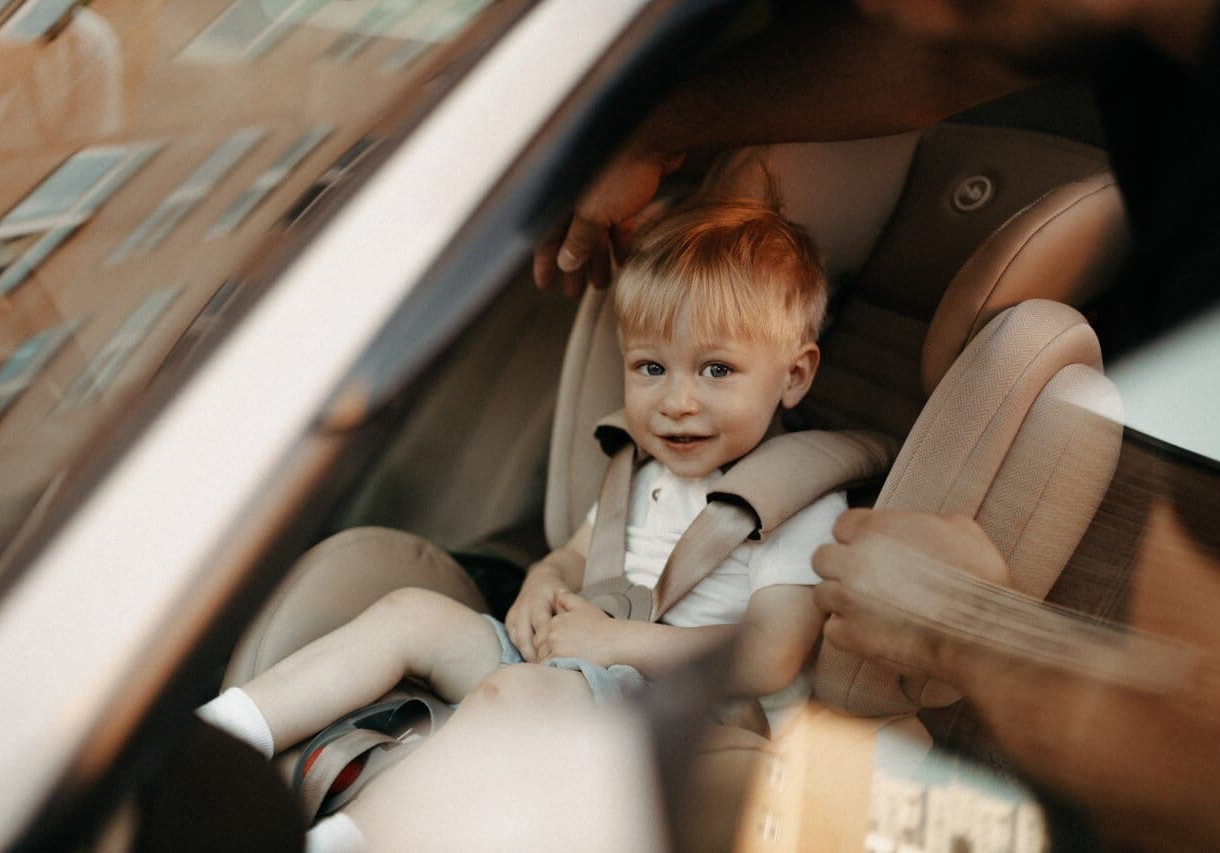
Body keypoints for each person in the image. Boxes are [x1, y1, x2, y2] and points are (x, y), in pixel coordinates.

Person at [535, 1, 1220, 848]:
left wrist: (967, 625)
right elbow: (947, 54)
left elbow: (1191, 773)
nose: (889, 7)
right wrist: (655, 131)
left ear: (797, 373)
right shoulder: (1146, 74)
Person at [200, 194, 845, 852]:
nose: (678, 401)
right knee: (409, 612)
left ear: (794, 375)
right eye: (651, 367)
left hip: (678, 720)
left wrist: (610, 642)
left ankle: (347, 842)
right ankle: (217, 735)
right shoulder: (646, 475)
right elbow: (575, 555)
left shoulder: (799, 506)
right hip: (580, 664)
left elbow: (771, 654)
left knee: (507, 697)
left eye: (717, 370)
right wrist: (542, 582)